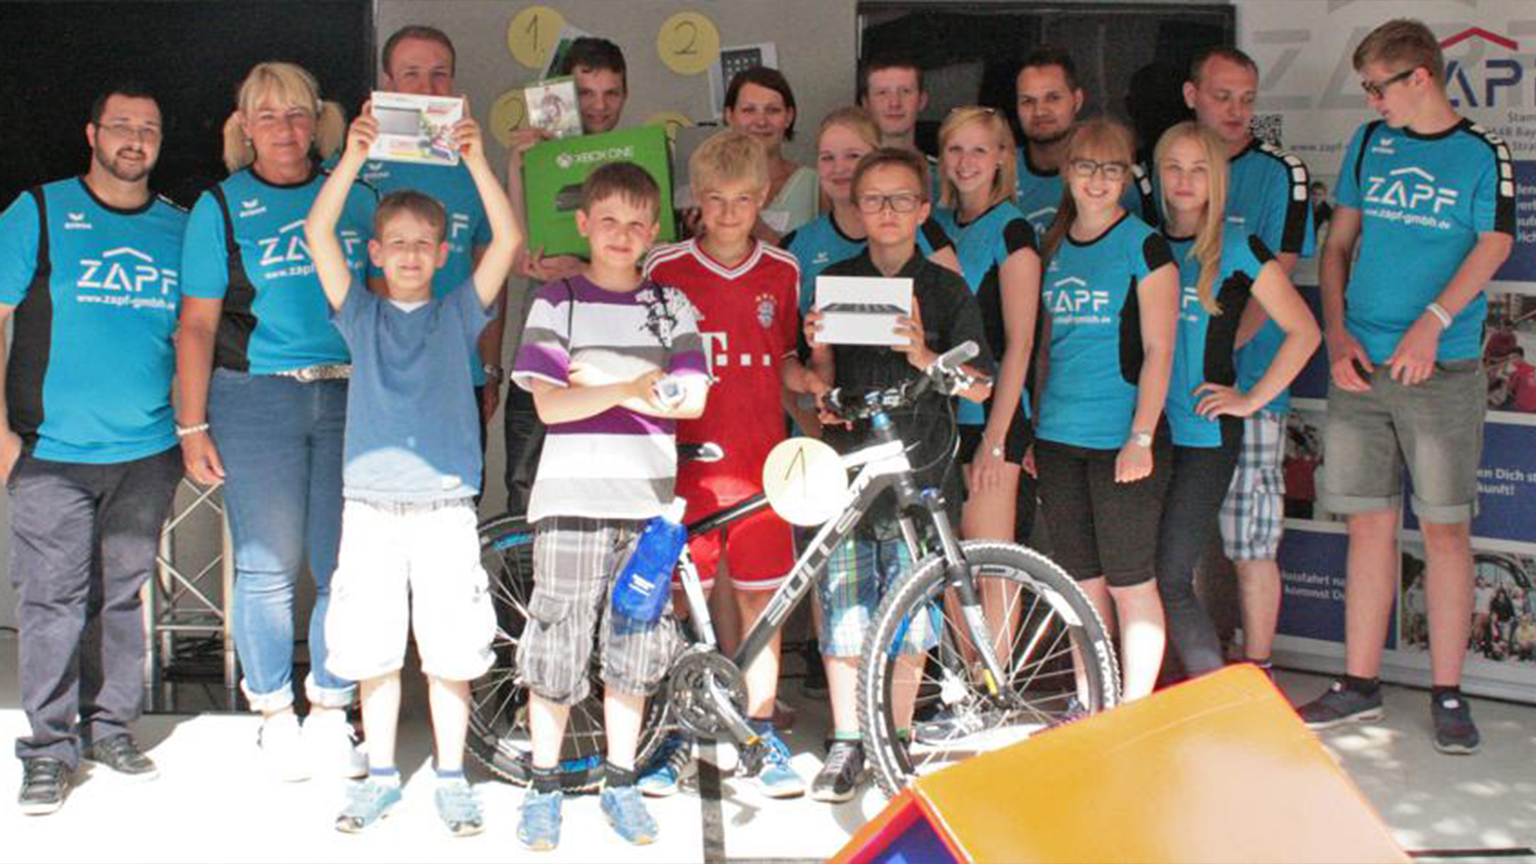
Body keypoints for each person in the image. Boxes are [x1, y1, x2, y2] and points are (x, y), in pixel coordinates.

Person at [1297, 19, 1514, 755]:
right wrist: (1336, 332)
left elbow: (1496, 242)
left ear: (1419, 77)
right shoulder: (1366, 144)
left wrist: (1434, 321)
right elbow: (1338, 246)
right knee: (1368, 525)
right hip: (1361, 364)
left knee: (1447, 530)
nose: (1371, 101)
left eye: (1377, 87)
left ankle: (1448, 692)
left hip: (1442, 367)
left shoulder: (1482, 152)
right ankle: (1358, 683)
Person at [305, 98, 519, 835]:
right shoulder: (358, 316)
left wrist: (477, 161)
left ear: (442, 252)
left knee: (451, 649)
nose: (408, 254)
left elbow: (510, 238)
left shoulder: (459, 312)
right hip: (368, 504)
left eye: (424, 244)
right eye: (394, 243)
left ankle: (454, 776)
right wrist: (356, 157)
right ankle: (382, 774)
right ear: (375, 252)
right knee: (372, 649)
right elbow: (316, 231)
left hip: (444, 508)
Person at [177, 62, 375, 780]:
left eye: (296, 115)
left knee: (343, 567)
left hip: (351, 398)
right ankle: (272, 715)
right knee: (265, 567)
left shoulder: (355, 194)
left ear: (317, 121)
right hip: (256, 397)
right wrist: (190, 425)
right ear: (244, 129)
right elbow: (197, 325)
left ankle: (329, 709)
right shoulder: (220, 207)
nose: (285, 130)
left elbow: (388, 307)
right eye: (267, 116)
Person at [509, 162, 709, 851]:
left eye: (636, 224)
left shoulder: (672, 306)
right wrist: (636, 387)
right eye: (609, 222)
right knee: (557, 641)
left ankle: (621, 781)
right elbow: (550, 404)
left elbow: (695, 398)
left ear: (654, 231)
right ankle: (543, 784)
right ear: (585, 224)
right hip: (567, 501)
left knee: (633, 641)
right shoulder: (557, 299)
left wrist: (604, 382)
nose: (622, 235)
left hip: (647, 505)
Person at [0, 86, 186, 816]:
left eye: (149, 128)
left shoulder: (177, 226)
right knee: (51, 601)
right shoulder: (38, 211)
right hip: (49, 450)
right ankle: (48, 751)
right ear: (92, 134)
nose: (135, 139)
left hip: (147, 449)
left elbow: (196, 331)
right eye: (121, 127)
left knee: (119, 597)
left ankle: (109, 728)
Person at [637, 130, 826, 799]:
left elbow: (782, 362)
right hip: (687, 469)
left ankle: (760, 731)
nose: (726, 212)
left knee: (761, 603)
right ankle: (679, 735)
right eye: (713, 199)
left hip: (761, 465)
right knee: (681, 611)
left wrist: (813, 381)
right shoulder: (664, 268)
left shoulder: (784, 270)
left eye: (741, 200)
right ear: (696, 199)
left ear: (763, 197)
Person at [803, 147, 994, 802]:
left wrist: (920, 351)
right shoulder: (837, 279)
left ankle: (898, 737)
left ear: (923, 207)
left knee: (912, 616)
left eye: (900, 199)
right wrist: (821, 362)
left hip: (924, 468)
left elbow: (979, 389)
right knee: (844, 604)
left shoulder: (945, 289)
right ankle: (848, 741)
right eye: (873, 199)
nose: (886, 212)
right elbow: (819, 387)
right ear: (854, 208)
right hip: (853, 468)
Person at [1152, 121, 1319, 679]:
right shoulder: (1139, 239)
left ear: (1217, 179)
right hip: (1144, 433)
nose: (1184, 179)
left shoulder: (1237, 244)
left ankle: (1224, 699)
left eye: (1199, 169)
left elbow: (1304, 331)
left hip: (1204, 434)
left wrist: (1249, 399)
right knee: (1142, 574)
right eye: (1173, 166)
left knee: (1173, 575)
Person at [1030, 117, 1178, 702]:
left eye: (1111, 169)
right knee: (1081, 584)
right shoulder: (1054, 245)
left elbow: (1159, 349)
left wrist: (1140, 436)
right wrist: (1036, 434)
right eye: (1086, 167)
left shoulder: (1144, 244)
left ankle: (1133, 710)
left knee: (1130, 582)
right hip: (1060, 439)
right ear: (1068, 173)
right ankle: (1094, 701)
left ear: (1126, 177)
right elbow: (1042, 349)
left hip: (1123, 441)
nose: (1097, 180)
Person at [505, 36, 631, 517]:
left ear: (626, 94)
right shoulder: (540, 158)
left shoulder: (638, 162)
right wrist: (518, 167)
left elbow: (655, 263)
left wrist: (585, 270)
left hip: (615, 356)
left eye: (611, 93)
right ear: (563, 97)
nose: (598, 106)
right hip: (542, 351)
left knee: (604, 492)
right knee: (524, 483)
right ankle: (521, 590)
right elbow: (518, 258)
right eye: (585, 93)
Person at [363, 25, 504, 441]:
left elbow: (492, 278)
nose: (427, 87)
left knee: (460, 496)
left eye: (440, 74)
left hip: (461, 369)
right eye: (411, 74)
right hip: (377, 371)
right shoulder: (353, 165)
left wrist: (491, 368)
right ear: (386, 84)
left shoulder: (475, 170)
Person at [1013, 47, 1157, 236]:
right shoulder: (996, 170)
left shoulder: (1119, 174)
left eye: (1053, 98)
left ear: (1077, 100)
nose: (1040, 111)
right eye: (1027, 101)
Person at [723, 67, 818, 241]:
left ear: (789, 117)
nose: (761, 121)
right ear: (730, 116)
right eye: (749, 110)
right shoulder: (712, 187)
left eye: (773, 110)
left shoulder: (815, 184)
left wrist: (759, 228)